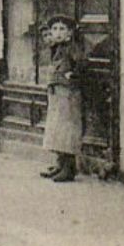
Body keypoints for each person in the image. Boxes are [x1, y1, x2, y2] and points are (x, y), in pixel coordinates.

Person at [40, 14, 83, 182]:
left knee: (67, 131)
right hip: (57, 93)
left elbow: (82, 63)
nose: (58, 33)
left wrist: (73, 74)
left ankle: (69, 168)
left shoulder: (72, 47)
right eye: (55, 29)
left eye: (62, 29)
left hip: (68, 94)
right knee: (57, 129)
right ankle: (60, 163)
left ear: (70, 33)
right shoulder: (57, 48)